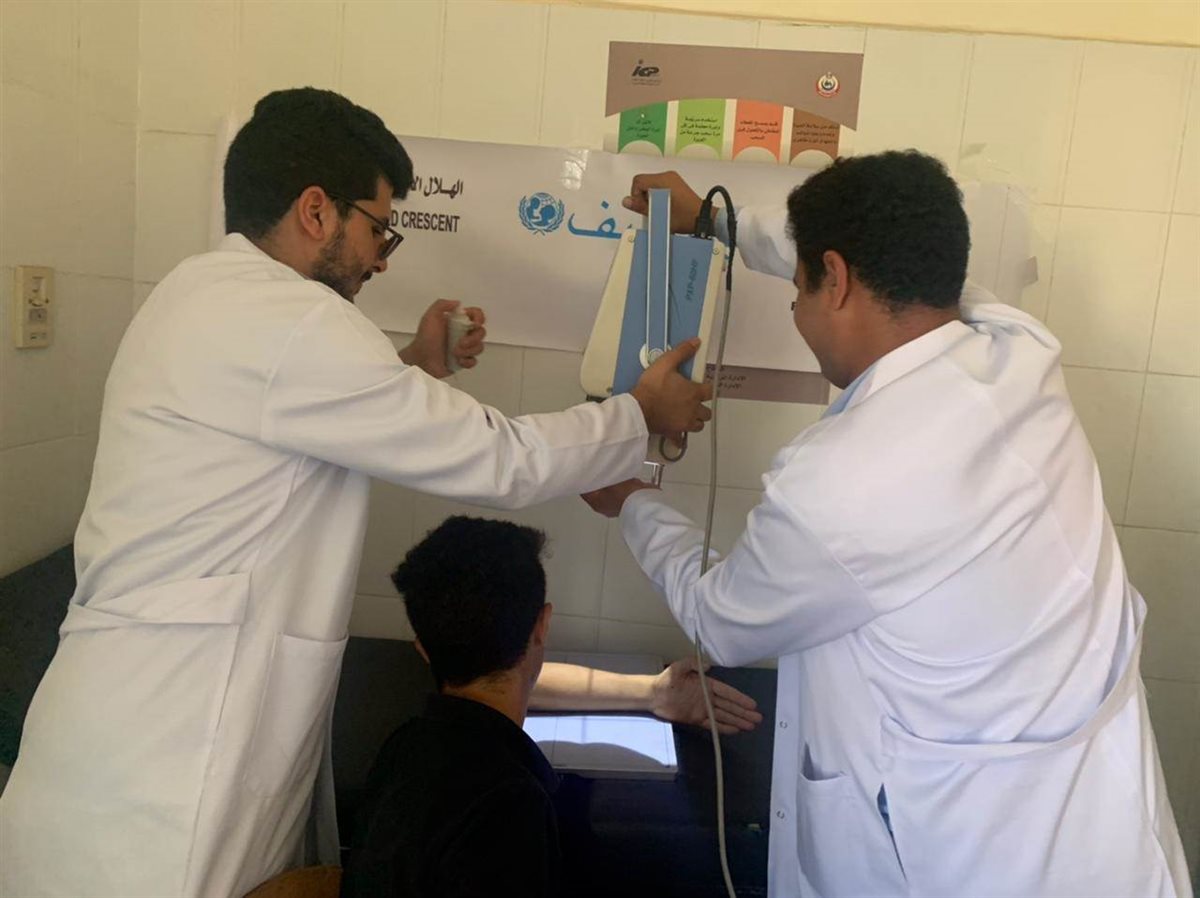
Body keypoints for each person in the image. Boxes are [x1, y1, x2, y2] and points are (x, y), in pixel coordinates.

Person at [0, 88, 713, 898]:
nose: (383, 257)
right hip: (170, 765)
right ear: (316, 211)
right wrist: (639, 414)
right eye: (379, 229)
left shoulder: (202, 296)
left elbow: (294, 420)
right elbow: (499, 460)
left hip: (128, 731)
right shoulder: (290, 318)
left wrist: (414, 365)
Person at [582, 154, 1193, 898]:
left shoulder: (845, 479)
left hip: (967, 861)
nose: (796, 310)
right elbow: (851, 251)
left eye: (800, 289)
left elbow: (722, 621)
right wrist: (714, 222)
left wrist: (633, 503)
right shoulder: (1014, 345)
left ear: (835, 279)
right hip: (1098, 825)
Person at [340, 516, 761, 898]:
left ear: (423, 650)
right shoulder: (510, 807)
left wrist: (653, 692)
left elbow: (516, 678)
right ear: (542, 626)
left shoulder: (402, 749)